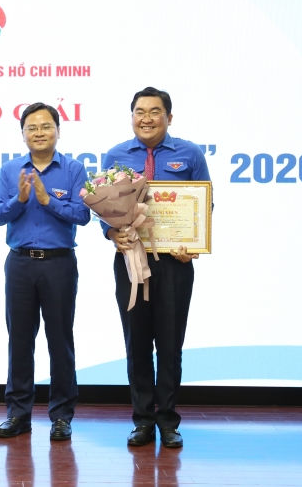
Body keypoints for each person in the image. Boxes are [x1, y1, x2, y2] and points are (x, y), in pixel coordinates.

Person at [101, 87, 211, 450]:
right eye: (139, 112)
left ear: (169, 117)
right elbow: (105, 209)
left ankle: (168, 420)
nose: (146, 118)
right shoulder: (116, 155)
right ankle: (143, 421)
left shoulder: (189, 154)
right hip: (131, 261)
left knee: (170, 343)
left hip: (174, 263)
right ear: (132, 116)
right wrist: (112, 233)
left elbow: (205, 204)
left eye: (155, 111)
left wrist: (193, 242)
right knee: (136, 343)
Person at [0, 102, 90, 442]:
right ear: (23, 134)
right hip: (20, 263)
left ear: (58, 131)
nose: (39, 132)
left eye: (46, 126)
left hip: (59, 263)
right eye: (31, 128)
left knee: (60, 340)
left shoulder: (74, 169)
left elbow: (83, 215)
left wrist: (49, 201)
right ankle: (18, 414)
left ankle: (61, 416)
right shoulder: (10, 170)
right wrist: (19, 200)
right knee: (19, 340)